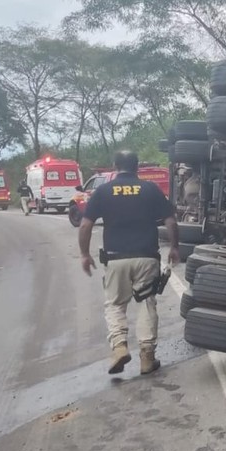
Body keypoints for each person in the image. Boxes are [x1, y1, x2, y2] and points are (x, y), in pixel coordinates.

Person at [79, 150, 180, 375]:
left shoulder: (103, 191)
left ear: (116, 166)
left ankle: (119, 346)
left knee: (115, 304)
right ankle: (147, 357)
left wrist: (85, 254)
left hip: (115, 258)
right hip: (146, 256)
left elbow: (85, 225)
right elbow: (170, 221)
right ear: (137, 167)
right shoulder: (150, 189)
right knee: (146, 303)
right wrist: (174, 247)